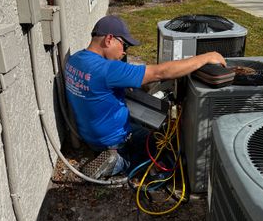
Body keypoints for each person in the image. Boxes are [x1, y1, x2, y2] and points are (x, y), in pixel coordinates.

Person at [65, 15, 226, 178]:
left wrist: (122, 79)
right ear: (109, 39)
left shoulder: (75, 60)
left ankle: (112, 156)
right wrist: (207, 57)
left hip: (89, 135)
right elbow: (160, 72)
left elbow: (96, 84)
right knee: (162, 148)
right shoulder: (109, 69)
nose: (124, 52)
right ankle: (119, 161)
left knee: (144, 132)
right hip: (115, 139)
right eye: (124, 45)